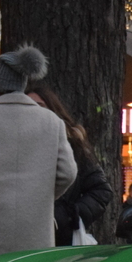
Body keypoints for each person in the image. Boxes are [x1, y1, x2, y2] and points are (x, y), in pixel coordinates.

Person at [0, 45, 77, 257]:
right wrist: (41, 195)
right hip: (36, 229)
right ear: (23, 83)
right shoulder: (52, 122)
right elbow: (68, 173)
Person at [26, 84, 114, 246]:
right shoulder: (18, 146)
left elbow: (101, 190)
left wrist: (70, 215)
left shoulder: (73, 146)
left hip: (60, 239)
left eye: (40, 106)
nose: (35, 113)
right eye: (29, 107)